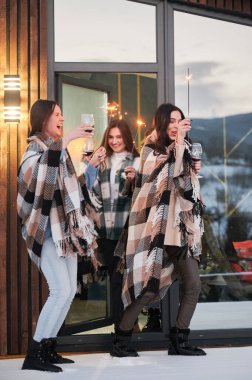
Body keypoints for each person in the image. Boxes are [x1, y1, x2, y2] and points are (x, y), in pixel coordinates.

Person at [111, 103, 206, 357]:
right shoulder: (151, 151)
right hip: (155, 231)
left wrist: (192, 169)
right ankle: (121, 341)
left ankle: (179, 341)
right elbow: (167, 173)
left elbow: (184, 183)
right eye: (171, 121)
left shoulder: (181, 151)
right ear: (162, 124)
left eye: (180, 121)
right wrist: (182, 151)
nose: (176, 126)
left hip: (179, 230)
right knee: (147, 289)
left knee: (192, 285)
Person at [17, 100, 98, 372]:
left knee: (69, 291)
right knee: (60, 290)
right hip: (46, 231)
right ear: (43, 120)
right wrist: (69, 139)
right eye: (57, 115)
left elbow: (71, 191)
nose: (62, 118)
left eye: (63, 114)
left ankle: (49, 347)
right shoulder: (33, 150)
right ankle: (34, 353)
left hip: (66, 232)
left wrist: (91, 166)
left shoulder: (58, 152)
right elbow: (39, 179)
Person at [84, 119, 140, 331]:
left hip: (129, 231)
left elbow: (141, 195)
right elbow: (90, 191)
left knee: (131, 282)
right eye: (111, 137)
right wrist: (91, 166)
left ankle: (128, 326)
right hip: (107, 232)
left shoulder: (136, 160)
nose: (115, 141)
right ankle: (123, 331)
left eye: (119, 137)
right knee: (116, 283)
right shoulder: (102, 161)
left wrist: (135, 180)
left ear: (127, 138)